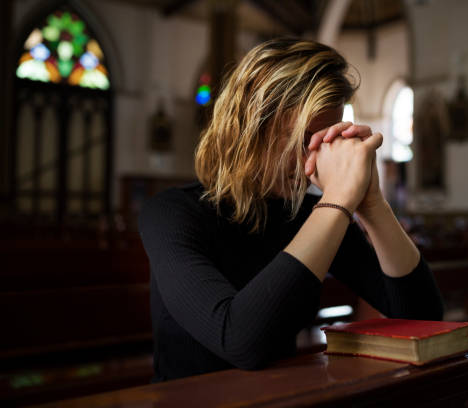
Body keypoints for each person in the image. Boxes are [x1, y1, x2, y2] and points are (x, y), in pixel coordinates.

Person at [138, 38, 444, 382]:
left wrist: (372, 204)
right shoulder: (170, 214)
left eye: (328, 142)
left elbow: (425, 319)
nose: (312, 162)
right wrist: (339, 200)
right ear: (250, 127)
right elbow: (240, 341)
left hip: (285, 395)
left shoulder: (314, 214)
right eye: (303, 140)